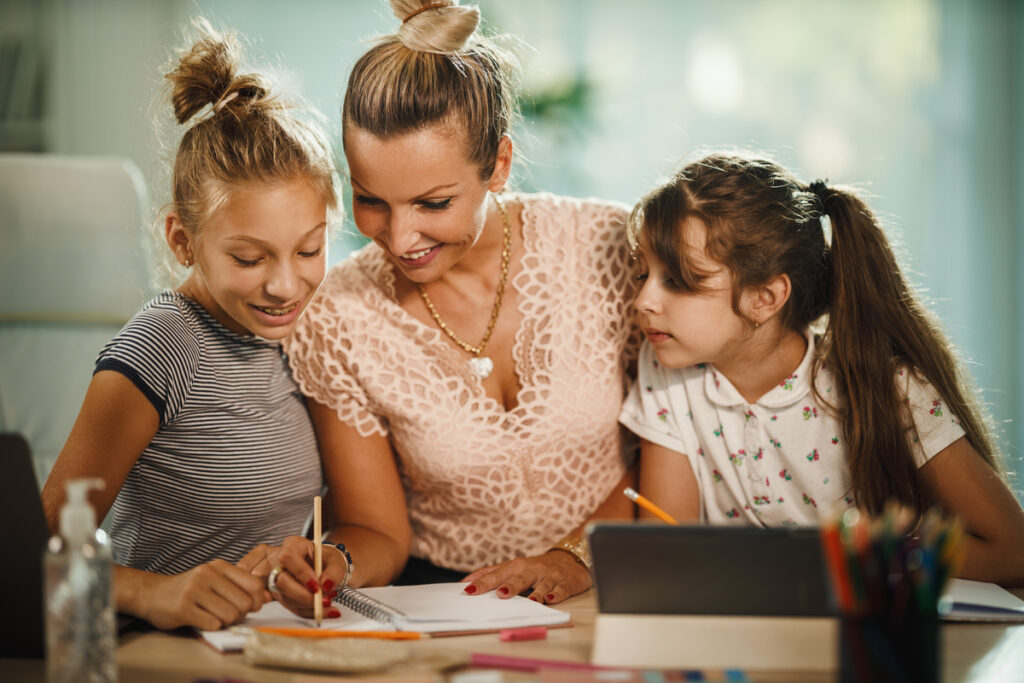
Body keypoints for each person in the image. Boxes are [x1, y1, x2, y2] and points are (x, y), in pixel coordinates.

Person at [279, 0, 641, 605]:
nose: (399, 239)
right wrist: (333, 566)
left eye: (433, 204)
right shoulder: (336, 317)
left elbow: (680, 439)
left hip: (620, 580)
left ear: (498, 165)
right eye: (371, 200)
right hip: (448, 608)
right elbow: (377, 533)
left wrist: (575, 556)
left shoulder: (612, 248)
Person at [40, 19, 350, 631]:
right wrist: (151, 593)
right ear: (183, 240)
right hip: (158, 647)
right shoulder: (162, 347)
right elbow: (36, 551)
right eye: (248, 258)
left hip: (270, 644)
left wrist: (319, 558)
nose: (286, 285)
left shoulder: (303, 334)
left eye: (309, 250)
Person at [620, 152, 1024, 585]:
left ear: (765, 298)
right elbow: (665, 556)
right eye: (642, 274)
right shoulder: (665, 369)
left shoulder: (890, 387)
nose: (643, 300)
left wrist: (847, 563)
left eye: (679, 280)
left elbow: (1014, 552)